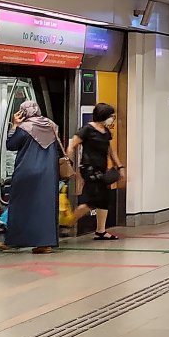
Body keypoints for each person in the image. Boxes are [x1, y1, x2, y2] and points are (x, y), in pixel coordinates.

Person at [0, 101, 62, 254]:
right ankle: (45, 243)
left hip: (27, 172)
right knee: (45, 208)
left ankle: (14, 241)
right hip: (48, 173)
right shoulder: (51, 125)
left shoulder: (25, 128)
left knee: (19, 206)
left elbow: (11, 145)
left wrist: (14, 125)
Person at [68, 103, 124, 240]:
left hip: (102, 169)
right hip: (89, 169)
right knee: (92, 200)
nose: (112, 118)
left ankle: (100, 231)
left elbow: (111, 151)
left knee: (104, 199)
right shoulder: (87, 129)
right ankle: (67, 222)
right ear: (103, 115)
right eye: (111, 116)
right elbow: (72, 146)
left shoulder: (106, 131)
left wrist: (120, 167)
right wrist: (70, 165)